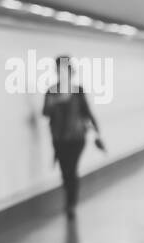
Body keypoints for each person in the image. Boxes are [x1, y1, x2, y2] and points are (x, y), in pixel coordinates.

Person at [42, 55, 104, 219]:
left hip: (77, 137)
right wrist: (55, 101)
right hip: (59, 138)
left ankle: (71, 204)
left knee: (71, 168)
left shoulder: (78, 90)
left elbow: (86, 111)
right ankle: (69, 197)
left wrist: (97, 130)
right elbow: (46, 112)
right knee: (65, 171)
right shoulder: (52, 91)